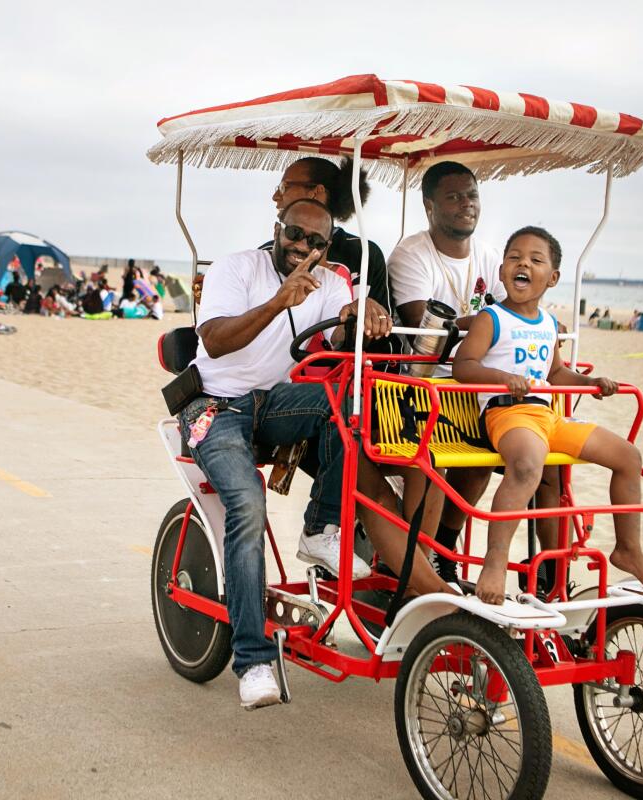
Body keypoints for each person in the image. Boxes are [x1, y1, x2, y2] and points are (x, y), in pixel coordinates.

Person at [183, 198, 448, 709]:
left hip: (276, 401)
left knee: (351, 407)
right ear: (277, 229)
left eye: (316, 242)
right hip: (214, 403)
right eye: (294, 235)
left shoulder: (330, 280)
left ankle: (321, 527)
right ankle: (254, 661)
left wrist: (359, 314)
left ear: (329, 246)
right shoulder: (236, 268)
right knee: (246, 506)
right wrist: (277, 302)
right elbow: (214, 342)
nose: (302, 247)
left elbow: (337, 337)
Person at [452, 226, 643, 604]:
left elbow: (555, 374)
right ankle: (495, 562)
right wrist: (503, 378)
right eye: (515, 257)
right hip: (509, 414)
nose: (522, 264)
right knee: (529, 467)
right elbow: (463, 366)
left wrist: (590, 382)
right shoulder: (491, 318)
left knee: (628, 457)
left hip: (547, 416)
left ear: (552, 278)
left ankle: (628, 549)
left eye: (535, 260)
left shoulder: (549, 325)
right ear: (502, 271)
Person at [386, 161, 510, 578]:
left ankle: (444, 545)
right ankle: (417, 559)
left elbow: (517, 313)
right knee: (437, 456)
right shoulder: (412, 254)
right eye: (454, 197)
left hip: (474, 383)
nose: (466, 205)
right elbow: (424, 328)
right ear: (429, 206)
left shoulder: (491, 257)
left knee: (503, 453)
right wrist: (488, 324)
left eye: (471, 195)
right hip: (422, 384)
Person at [262, 157, 391, 312]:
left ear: (316, 192)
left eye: (284, 187)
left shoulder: (365, 254)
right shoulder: (263, 256)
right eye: (294, 234)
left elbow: (382, 326)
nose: (275, 196)